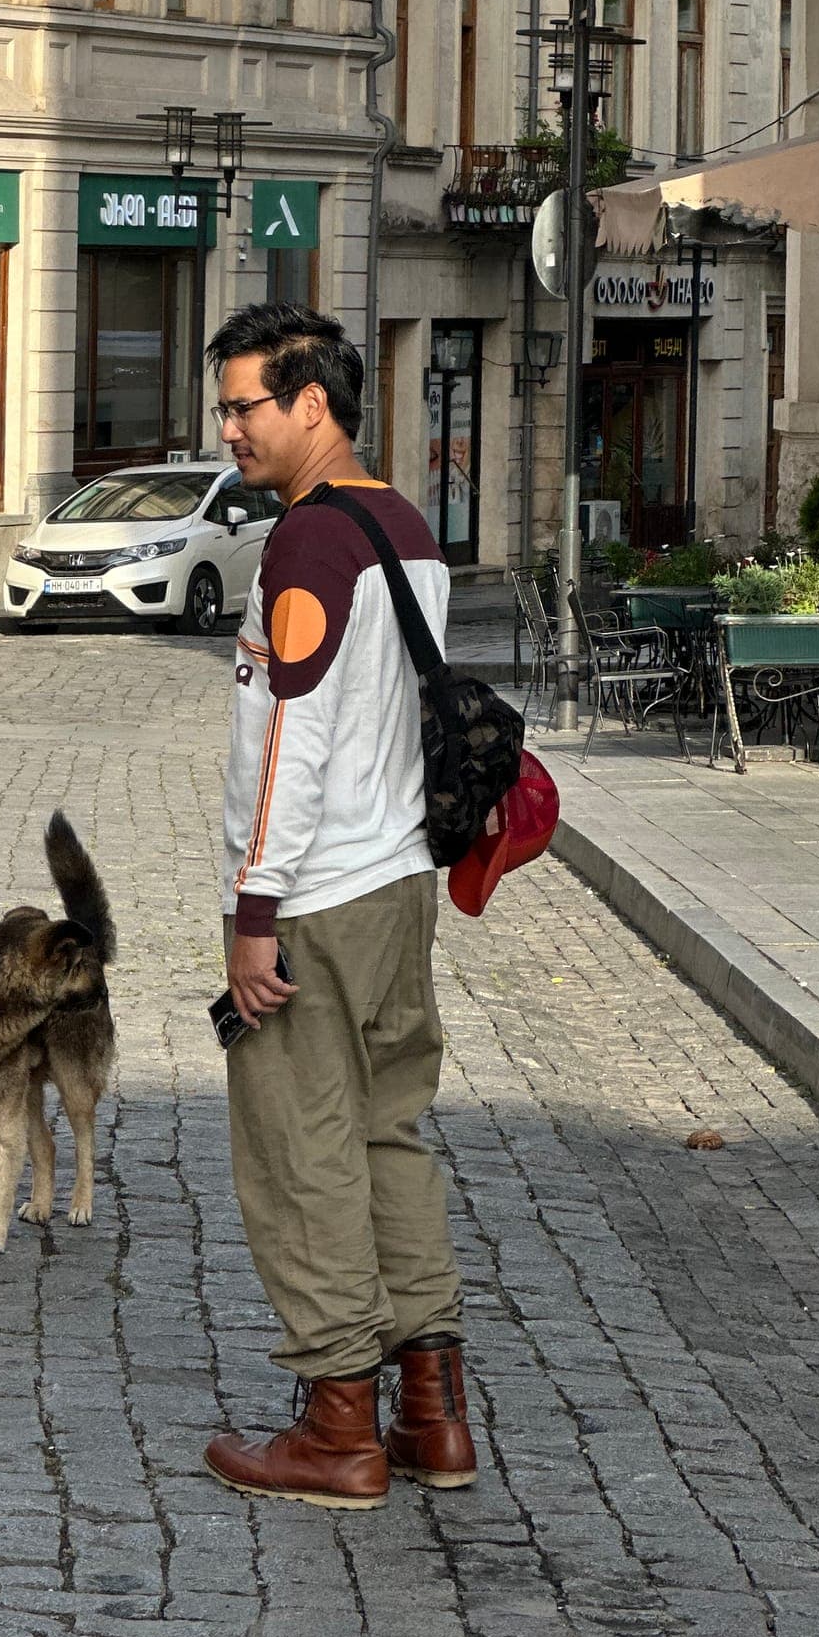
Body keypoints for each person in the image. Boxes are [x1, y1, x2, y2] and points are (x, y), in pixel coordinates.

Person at [200, 301, 475, 1511]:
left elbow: (293, 743)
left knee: (301, 1151)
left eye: (245, 405)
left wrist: (252, 910)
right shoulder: (409, 526)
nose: (229, 431)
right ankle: (432, 1413)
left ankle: (337, 1430)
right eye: (225, 407)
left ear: (313, 403)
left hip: (313, 898)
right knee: (389, 1136)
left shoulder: (308, 543)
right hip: (401, 881)